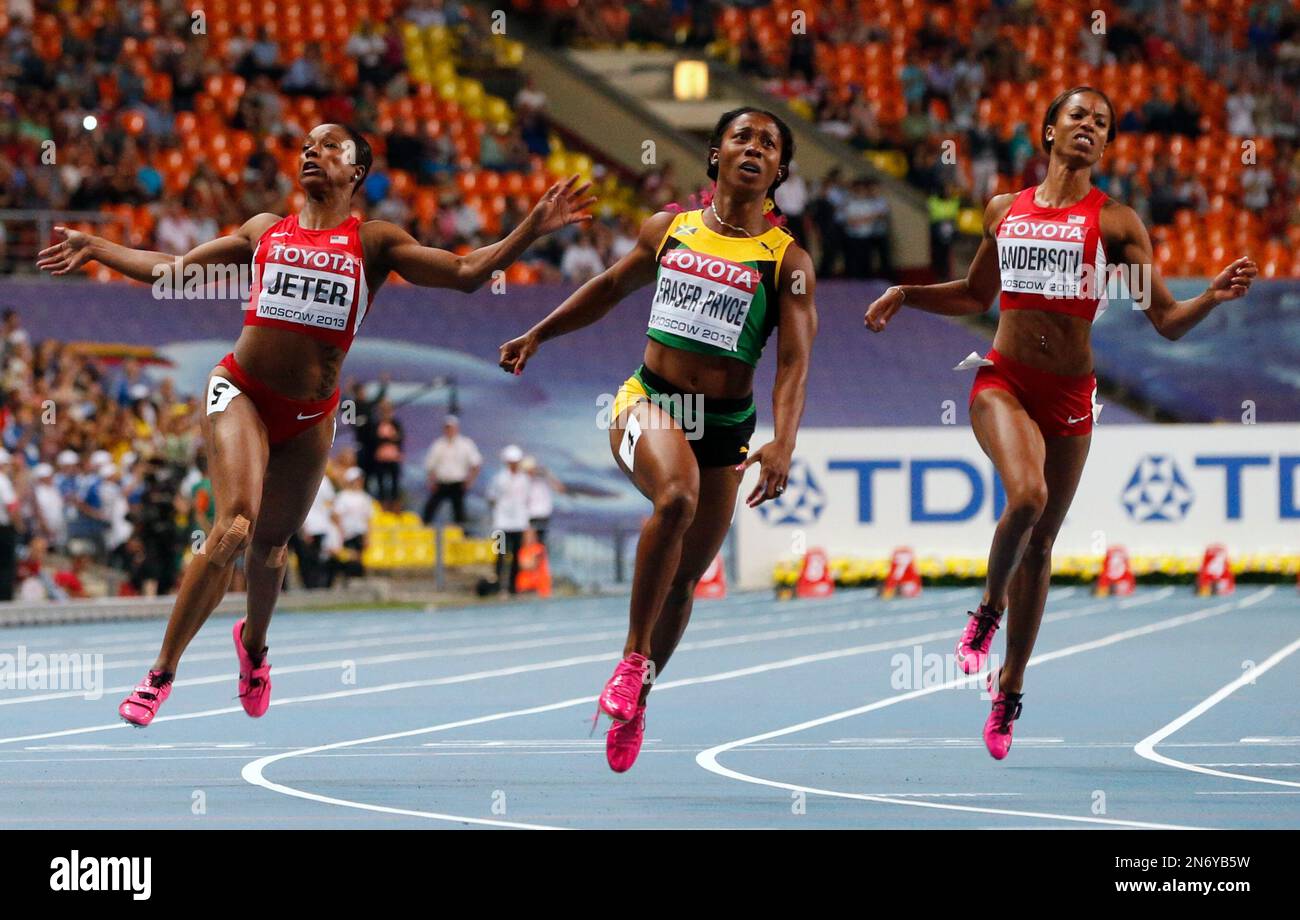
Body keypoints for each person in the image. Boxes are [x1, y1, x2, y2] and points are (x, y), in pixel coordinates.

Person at [38, 122, 594, 727]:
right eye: (307, 145)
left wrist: (529, 232)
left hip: (310, 416)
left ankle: (253, 651)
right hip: (240, 390)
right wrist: (99, 248)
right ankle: (160, 674)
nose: (312, 152)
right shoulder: (263, 230)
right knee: (232, 529)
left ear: (357, 172)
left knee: (273, 548)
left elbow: (464, 271)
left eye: (330, 146)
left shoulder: (374, 242)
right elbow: (172, 270)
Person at [864, 86, 1256, 760]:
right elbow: (975, 295)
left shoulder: (1116, 225)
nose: (1091, 128)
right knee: (1028, 494)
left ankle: (1010, 684)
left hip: (1070, 395)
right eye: (1079, 116)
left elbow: (1161, 320)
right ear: (1048, 131)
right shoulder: (1003, 210)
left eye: (1102, 123)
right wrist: (907, 292)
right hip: (1002, 381)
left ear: (1105, 144)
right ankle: (987, 612)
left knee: (1042, 544)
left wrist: (1211, 297)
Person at [499, 107, 818, 773]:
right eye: (742, 137)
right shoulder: (668, 229)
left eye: (769, 144)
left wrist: (784, 440)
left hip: (725, 429)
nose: (754, 148)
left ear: (780, 172)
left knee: (685, 582)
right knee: (674, 499)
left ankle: (639, 694)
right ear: (715, 154)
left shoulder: (786, 260)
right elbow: (608, 288)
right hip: (648, 402)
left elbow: (793, 362)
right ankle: (630, 659)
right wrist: (538, 333)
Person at [421, 414, 481, 526]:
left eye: (451, 427)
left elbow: (476, 463)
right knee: (430, 508)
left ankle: (462, 536)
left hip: (458, 483)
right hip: (441, 483)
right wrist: (431, 481)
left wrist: (470, 480)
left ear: (457, 428)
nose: (449, 430)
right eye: (447, 427)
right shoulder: (438, 445)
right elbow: (430, 465)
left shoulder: (465, 444)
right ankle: (424, 530)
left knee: (459, 513)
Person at [486, 445, 530, 595]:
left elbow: (527, 500)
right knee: (501, 554)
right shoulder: (499, 478)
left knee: (517, 555)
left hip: (518, 523)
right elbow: (491, 497)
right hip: (501, 523)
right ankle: (498, 585)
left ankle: (513, 586)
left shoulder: (524, 479)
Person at [331, 466, 373, 581]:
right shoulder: (343, 497)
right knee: (349, 558)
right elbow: (336, 515)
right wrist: (340, 532)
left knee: (359, 558)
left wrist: (367, 536)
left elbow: (367, 518)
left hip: (359, 532)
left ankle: (357, 580)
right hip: (347, 533)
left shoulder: (365, 497)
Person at [370, 399, 403, 511]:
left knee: (395, 484)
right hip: (381, 458)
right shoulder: (376, 424)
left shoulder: (396, 424)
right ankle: (383, 507)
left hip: (393, 458)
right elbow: (374, 440)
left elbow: (400, 438)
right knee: (381, 484)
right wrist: (389, 438)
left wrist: (385, 439)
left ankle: (395, 507)